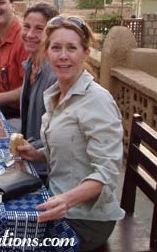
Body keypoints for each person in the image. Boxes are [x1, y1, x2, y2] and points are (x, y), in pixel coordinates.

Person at [17, 16, 124, 251]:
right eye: (56, 48)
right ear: (46, 53)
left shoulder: (97, 101)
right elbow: (73, 149)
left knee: (8, 240)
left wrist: (66, 200)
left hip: (85, 219)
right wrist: (38, 154)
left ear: (85, 52)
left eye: (71, 48)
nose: (63, 56)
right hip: (56, 198)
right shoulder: (57, 93)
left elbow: (106, 173)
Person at [16, 2, 59, 178]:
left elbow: (58, 135)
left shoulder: (55, 76)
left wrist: (36, 151)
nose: (30, 34)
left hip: (46, 170)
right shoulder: (31, 64)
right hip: (27, 156)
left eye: (39, 29)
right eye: (26, 27)